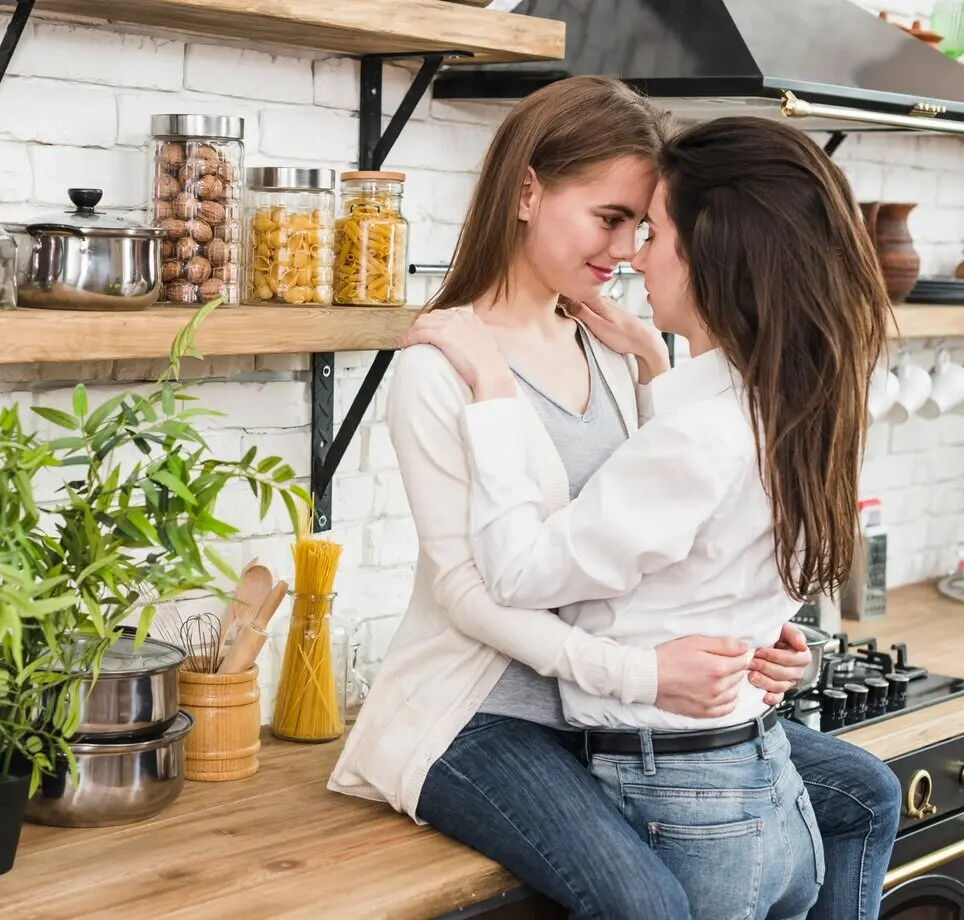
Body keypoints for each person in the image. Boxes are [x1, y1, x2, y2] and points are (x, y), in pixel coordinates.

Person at [328, 76, 901, 920]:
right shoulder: (441, 363)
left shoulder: (611, 346)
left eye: (643, 224)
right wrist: (645, 674)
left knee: (863, 791)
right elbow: (469, 592)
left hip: (607, 707)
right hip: (483, 714)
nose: (629, 248)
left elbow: (657, 541)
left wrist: (752, 639)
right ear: (527, 192)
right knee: (648, 904)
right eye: (610, 217)